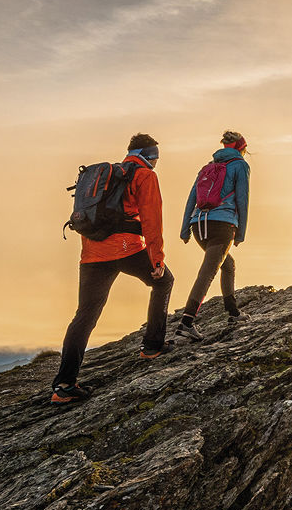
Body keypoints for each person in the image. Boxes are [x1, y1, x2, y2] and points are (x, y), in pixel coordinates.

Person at [50, 133, 174, 404]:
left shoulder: (110, 176)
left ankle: (64, 386)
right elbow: (153, 220)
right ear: (150, 154)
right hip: (126, 248)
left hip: (92, 253)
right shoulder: (144, 175)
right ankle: (152, 347)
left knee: (85, 315)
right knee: (164, 281)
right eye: (155, 156)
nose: (156, 161)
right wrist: (157, 259)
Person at [174, 131, 250, 331]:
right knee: (208, 272)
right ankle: (186, 323)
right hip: (222, 225)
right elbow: (242, 200)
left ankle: (233, 312)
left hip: (199, 225)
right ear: (242, 149)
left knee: (227, 264)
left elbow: (192, 198)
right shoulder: (240, 165)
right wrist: (240, 232)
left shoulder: (208, 167)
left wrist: (185, 229)